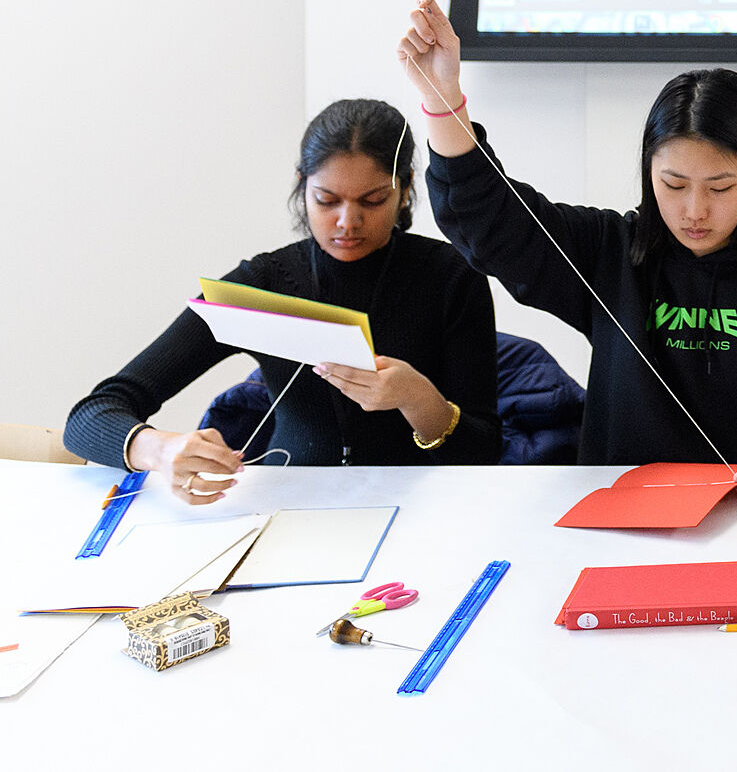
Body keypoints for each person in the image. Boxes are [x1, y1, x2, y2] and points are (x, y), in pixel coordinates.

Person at [399, 0, 737, 490]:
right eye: (673, 185)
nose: (694, 211)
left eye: (720, 187)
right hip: (627, 525)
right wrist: (444, 98)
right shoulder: (610, 252)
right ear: (647, 172)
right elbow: (489, 222)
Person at [65, 100, 500, 502]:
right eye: (326, 200)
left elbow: (484, 454)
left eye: (373, 200)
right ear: (302, 185)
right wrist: (158, 449)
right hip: (289, 508)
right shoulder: (263, 286)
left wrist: (417, 398)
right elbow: (90, 416)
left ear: (404, 189)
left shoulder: (451, 276)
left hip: (426, 509)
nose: (348, 222)